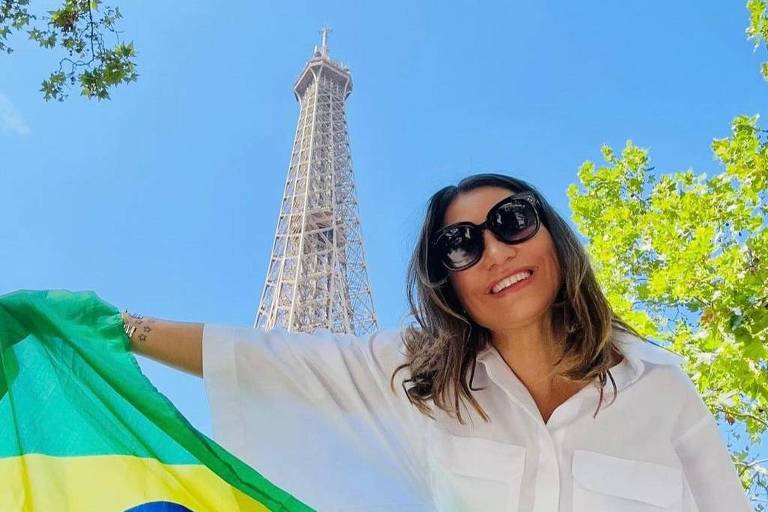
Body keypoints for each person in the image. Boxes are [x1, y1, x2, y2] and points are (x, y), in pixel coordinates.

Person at [122, 173, 753, 512]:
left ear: (553, 236)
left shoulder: (659, 385)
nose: (495, 251)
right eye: (460, 245)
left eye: (512, 221)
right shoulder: (423, 377)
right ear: (447, 282)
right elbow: (274, 362)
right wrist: (119, 328)